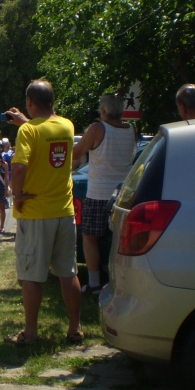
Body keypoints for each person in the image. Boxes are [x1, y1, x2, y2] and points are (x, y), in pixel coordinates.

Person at [4, 80, 82, 346]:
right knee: (68, 273)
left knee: (31, 276)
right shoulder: (67, 125)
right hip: (64, 209)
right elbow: (47, 131)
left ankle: (31, 332)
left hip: (36, 212)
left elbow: (19, 168)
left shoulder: (27, 131)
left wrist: (17, 194)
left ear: (29, 101)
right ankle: (75, 328)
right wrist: (26, 121)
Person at [72, 94, 136, 295]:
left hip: (99, 192)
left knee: (89, 237)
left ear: (104, 110)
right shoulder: (130, 129)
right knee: (119, 240)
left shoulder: (97, 129)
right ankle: (120, 281)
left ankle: (94, 283)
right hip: (123, 193)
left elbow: (77, 152)